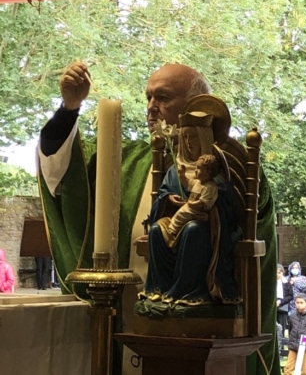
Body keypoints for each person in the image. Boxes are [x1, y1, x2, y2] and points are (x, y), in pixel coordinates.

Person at [37, 62, 280, 375]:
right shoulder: (124, 161)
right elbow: (62, 173)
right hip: (130, 326)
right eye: (148, 98)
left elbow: (242, 222)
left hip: (210, 338)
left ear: (195, 106)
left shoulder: (232, 164)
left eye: (163, 98)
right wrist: (70, 108)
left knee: (193, 232)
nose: (151, 107)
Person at [141, 111, 241, 304]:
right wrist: (169, 199)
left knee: (192, 230)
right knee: (155, 230)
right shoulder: (174, 169)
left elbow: (228, 208)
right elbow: (161, 197)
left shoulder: (215, 174)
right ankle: (159, 288)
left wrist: (210, 212)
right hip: (178, 216)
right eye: (185, 136)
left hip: (207, 225)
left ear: (204, 137)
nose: (188, 142)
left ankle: (189, 291)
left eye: (193, 136)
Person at [168, 154, 220, 237]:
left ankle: (174, 231)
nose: (195, 170)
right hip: (190, 207)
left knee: (182, 215)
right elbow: (187, 183)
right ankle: (173, 229)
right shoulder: (198, 182)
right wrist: (182, 175)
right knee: (179, 214)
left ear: (209, 171)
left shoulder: (210, 187)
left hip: (197, 211)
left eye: (199, 168)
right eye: (196, 167)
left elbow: (203, 203)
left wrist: (191, 204)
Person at [283, 293, 306, 375]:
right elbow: (290, 329)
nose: (299, 305)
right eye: (297, 303)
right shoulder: (292, 316)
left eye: (301, 303)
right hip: (293, 345)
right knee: (288, 369)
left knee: (305, 371)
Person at [276, 264, 293, 337]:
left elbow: (290, 296)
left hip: (282, 306)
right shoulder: (269, 282)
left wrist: (281, 301)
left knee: (281, 326)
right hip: (272, 305)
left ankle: (281, 344)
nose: (278, 274)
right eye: (276, 272)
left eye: (279, 272)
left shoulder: (286, 283)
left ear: (282, 273)